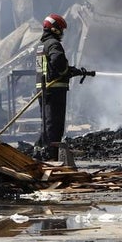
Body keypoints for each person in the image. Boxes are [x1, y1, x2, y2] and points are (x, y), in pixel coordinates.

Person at [34, 13, 91, 161]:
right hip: (54, 90)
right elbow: (58, 60)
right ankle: (51, 154)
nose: (62, 33)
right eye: (61, 29)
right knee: (55, 124)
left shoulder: (41, 45)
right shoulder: (53, 43)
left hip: (44, 90)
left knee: (46, 122)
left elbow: (51, 67)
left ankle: (41, 150)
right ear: (55, 29)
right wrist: (66, 72)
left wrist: (69, 70)